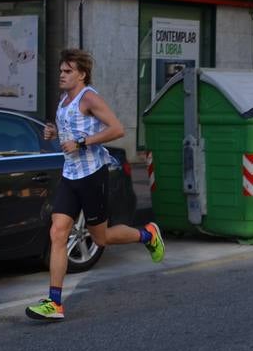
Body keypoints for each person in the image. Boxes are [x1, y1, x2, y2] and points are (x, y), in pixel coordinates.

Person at [26, 49, 164, 322]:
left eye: (67, 71)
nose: (62, 75)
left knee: (100, 238)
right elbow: (69, 135)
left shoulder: (89, 97)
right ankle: (55, 303)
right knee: (57, 232)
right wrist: (54, 133)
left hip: (92, 175)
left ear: (82, 74)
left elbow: (117, 129)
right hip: (70, 175)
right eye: (61, 71)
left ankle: (147, 234)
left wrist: (81, 143)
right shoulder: (64, 100)